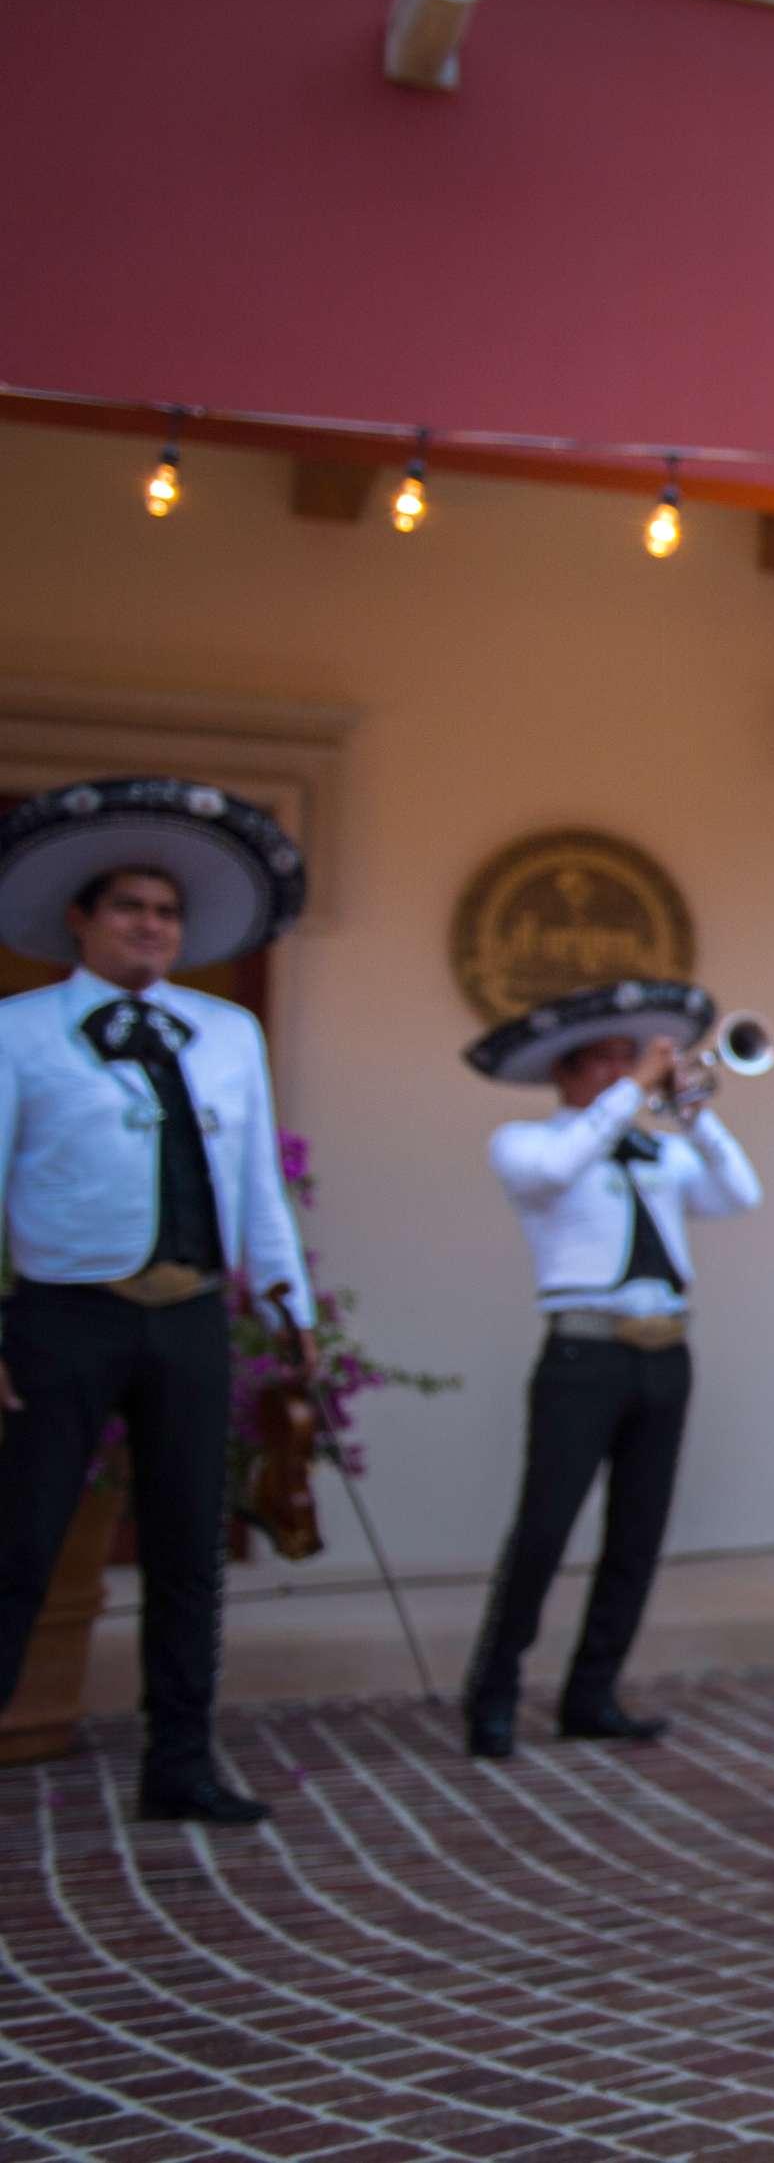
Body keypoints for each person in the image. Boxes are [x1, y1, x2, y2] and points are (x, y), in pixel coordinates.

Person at [0, 779, 315, 1825]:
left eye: (167, 911)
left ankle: (180, 1762)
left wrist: (288, 1304)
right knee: (22, 1540)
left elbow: (257, 1182)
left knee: (188, 1548)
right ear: (81, 920)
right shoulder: (21, 1031)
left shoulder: (225, 1033)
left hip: (187, 1317)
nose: (151, 925)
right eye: (130, 906)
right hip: (65, 1314)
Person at [459, 980, 761, 1758]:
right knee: (545, 1528)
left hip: (665, 1352)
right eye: (606, 1062)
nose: (629, 1073)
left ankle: (591, 1692)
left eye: (632, 1061)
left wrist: (698, 1112)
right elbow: (557, 1170)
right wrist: (629, 1094)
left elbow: (739, 1195)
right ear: (566, 1074)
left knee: (639, 1533)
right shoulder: (525, 1143)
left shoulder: (662, 1148)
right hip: (583, 1352)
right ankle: (492, 1694)